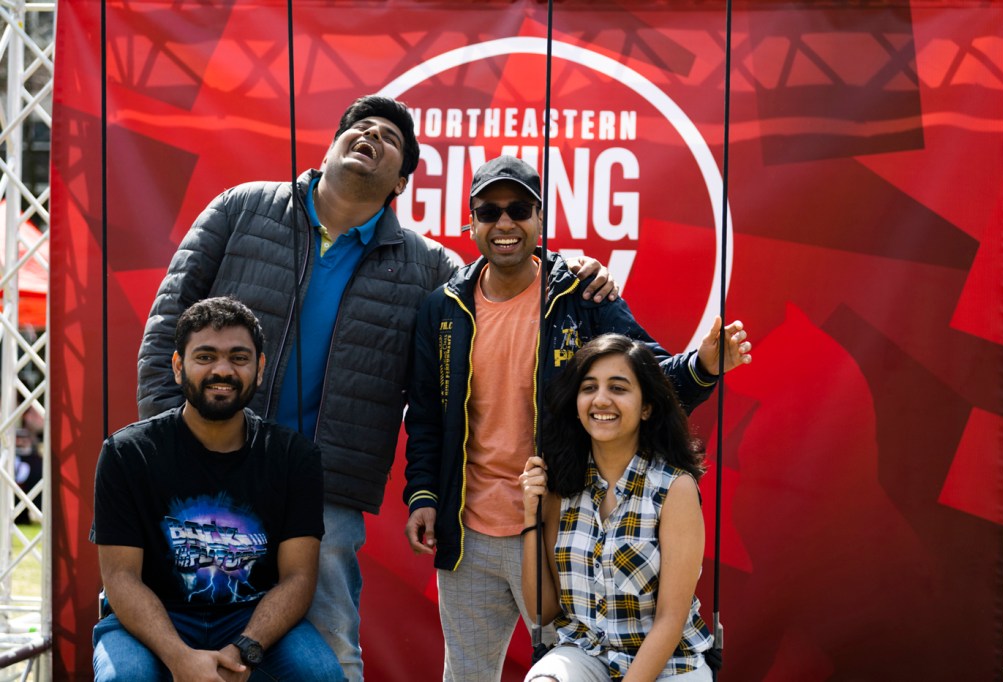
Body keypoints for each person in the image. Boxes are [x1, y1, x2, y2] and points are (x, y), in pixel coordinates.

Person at [136, 96, 617, 681]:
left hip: (326, 488)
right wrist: (171, 445)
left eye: (389, 138)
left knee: (330, 654)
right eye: (358, 127)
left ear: (402, 183)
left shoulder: (429, 269)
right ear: (332, 146)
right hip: (207, 462)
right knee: (180, 639)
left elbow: (506, 284)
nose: (370, 135)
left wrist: (578, 271)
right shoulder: (241, 208)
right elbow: (168, 323)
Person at [403, 155, 750, 681]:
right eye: (489, 211)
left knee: (568, 668)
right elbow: (426, 414)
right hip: (466, 534)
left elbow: (649, 378)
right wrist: (424, 494)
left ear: (540, 219)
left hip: (558, 527)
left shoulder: (580, 293)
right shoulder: (443, 308)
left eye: (518, 209)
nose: (504, 224)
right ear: (470, 222)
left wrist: (703, 366)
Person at [93, 297, 343, 681]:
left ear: (259, 369)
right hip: (152, 615)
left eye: (239, 358)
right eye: (205, 356)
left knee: (320, 674)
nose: (222, 370)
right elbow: (121, 578)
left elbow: (298, 578)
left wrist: (245, 648)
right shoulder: (127, 454)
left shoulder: (295, 457)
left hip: (252, 615)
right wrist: (180, 658)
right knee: (124, 678)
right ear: (179, 367)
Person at [520, 334, 714, 681]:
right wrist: (529, 517)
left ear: (646, 407)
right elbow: (543, 611)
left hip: (669, 664)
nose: (601, 400)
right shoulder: (560, 486)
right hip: (586, 654)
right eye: (589, 387)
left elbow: (670, 620)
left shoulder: (675, 488)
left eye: (618, 388)